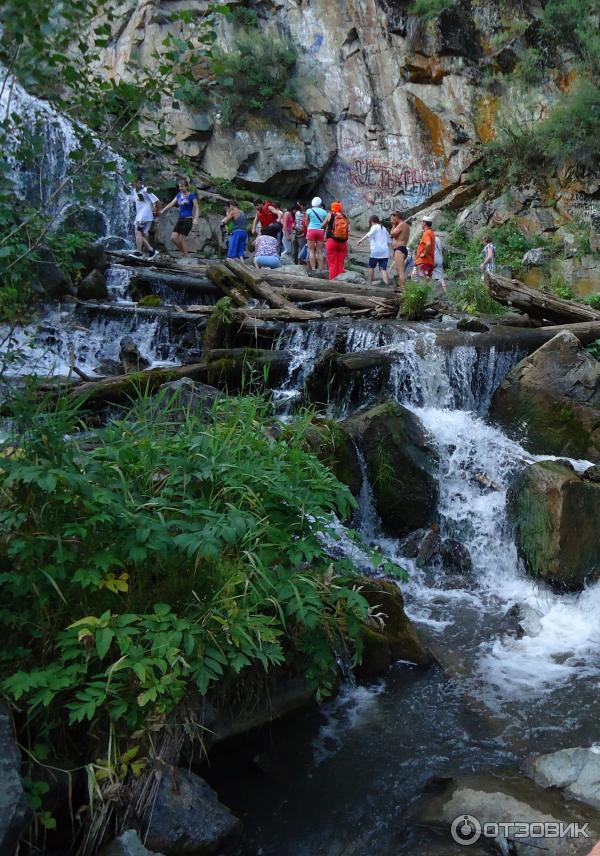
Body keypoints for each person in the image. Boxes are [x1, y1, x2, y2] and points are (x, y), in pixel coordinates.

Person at [158, 179, 200, 257]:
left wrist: (196, 218)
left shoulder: (191, 195)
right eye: (179, 187)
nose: (180, 188)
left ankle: (186, 256)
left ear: (186, 187)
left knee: (181, 239)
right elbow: (171, 204)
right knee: (173, 238)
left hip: (188, 219)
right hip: (180, 219)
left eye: (182, 186)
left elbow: (197, 207)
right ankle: (185, 253)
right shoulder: (178, 195)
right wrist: (163, 210)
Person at [357, 215, 390, 285]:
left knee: (371, 267)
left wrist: (360, 241)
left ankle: (369, 282)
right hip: (385, 251)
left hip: (376, 251)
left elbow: (369, 234)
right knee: (383, 269)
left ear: (372, 221)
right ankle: (387, 283)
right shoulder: (384, 228)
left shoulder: (374, 227)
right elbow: (389, 240)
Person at [130, 177, 159, 258]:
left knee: (138, 232)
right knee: (139, 233)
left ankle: (139, 252)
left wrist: (157, 211)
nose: (132, 184)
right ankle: (151, 250)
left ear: (139, 182)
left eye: (133, 182)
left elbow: (157, 201)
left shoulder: (146, 190)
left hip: (144, 216)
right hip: (140, 216)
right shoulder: (135, 191)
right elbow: (134, 200)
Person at [322, 201, 350, 280]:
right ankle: (341, 281)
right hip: (343, 243)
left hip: (331, 241)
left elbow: (322, 225)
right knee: (340, 264)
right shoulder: (345, 217)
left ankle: (332, 282)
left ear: (332, 208)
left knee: (332, 264)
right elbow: (347, 230)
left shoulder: (330, 215)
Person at [305, 196, 328, 272]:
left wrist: (308, 228)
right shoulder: (324, 212)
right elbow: (325, 223)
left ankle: (313, 268)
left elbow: (306, 221)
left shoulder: (309, 210)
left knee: (311, 250)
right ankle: (320, 268)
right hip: (320, 231)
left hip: (311, 230)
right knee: (319, 251)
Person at [390, 210, 410, 289]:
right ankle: (401, 288)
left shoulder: (402, 224)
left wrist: (394, 225)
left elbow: (392, 234)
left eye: (392, 218)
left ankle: (402, 289)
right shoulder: (402, 225)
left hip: (400, 249)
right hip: (399, 249)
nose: (391, 220)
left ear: (396, 216)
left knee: (401, 271)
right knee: (399, 271)